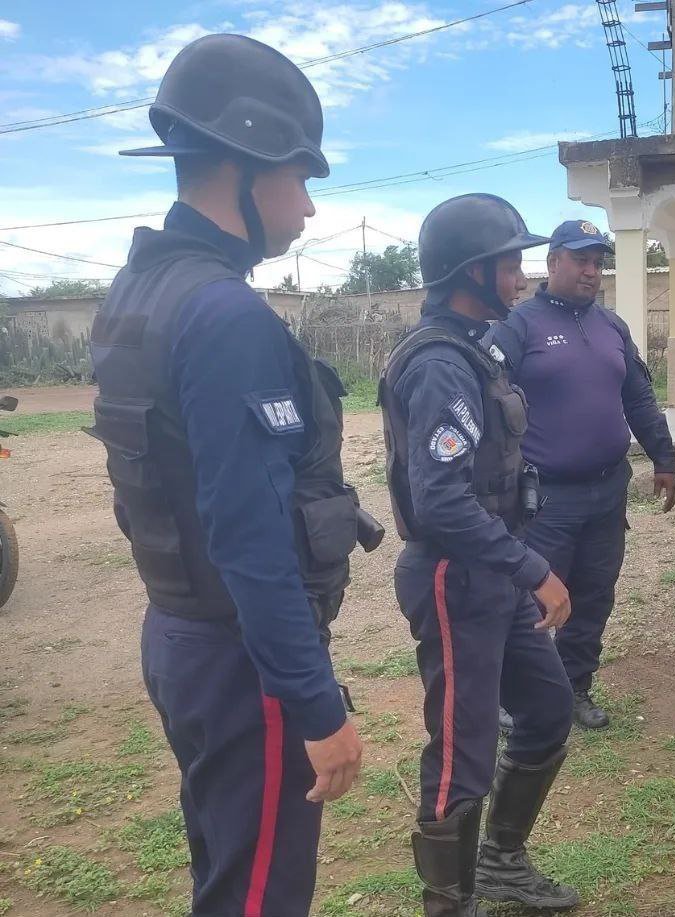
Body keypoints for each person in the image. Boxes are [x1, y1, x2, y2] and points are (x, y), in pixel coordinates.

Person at [89, 34, 372, 916]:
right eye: (302, 177)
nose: (310, 209)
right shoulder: (221, 311)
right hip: (243, 658)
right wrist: (317, 703)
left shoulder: (137, 291)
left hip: (179, 634)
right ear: (246, 168)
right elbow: (249, 539)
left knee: (228, 869)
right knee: (261, 895)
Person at [381, 193, 580, 916]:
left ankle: (500, 862)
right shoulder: (439, 363)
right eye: (511, 262)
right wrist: (534, 569)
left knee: (549, 706)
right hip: (453, 576)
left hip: (490, 567)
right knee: (462, 756)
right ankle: (449, 904)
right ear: (473, 269)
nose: (521, 277)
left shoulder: (475, 347)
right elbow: (440, 501)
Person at [484, 219, 675, 729]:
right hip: (544, 498)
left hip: (607, 492)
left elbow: (637, 395)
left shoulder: (612, 326)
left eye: (598, 262)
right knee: (534, 599)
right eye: (581, 260)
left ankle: (574, 689)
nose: (592, 272)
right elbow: (488, 405)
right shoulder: (518, 325)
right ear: (552, 264)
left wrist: (663, 456)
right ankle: (518, 700)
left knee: (593, 595)